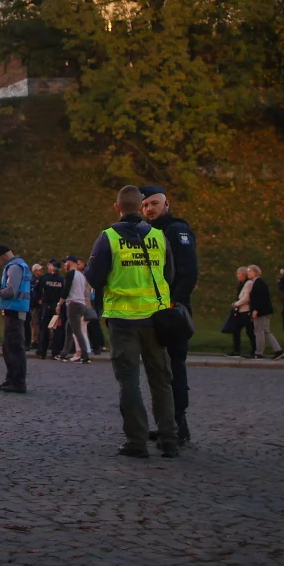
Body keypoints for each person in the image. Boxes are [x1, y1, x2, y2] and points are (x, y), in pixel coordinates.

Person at [85, 186, 177, 458]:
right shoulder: (159, 236)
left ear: (117, 208)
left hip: (122, 320)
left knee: (129, 382)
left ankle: (137, 441)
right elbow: (169, 274)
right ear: (141, 207)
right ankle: (169, 439)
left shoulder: (108, 238)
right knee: (161, 380)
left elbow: (93, 276)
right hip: (156, 318)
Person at [140, 186, 197, 444]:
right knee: (161, 368)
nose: (149, 208)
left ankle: (178, 427)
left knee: (174, 366)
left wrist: (172, 304)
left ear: (167, 203)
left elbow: (188, 273)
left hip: (171, 311)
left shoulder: (176, 230)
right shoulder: (152, 233)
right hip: (157, 310)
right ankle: (169, 425)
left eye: (154, 203)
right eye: (144, 205)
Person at [0, 245, 30, 393]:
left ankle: (18, 382)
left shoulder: (14, 267)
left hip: (14, 310)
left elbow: (11, 291)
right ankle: (11, 379)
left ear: (2, 256)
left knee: (14, 347)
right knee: (8, 347)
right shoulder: (20, 265)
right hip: (14, 310)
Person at [62, 256, 95, 364]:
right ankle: (64, 354)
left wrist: (59, 303)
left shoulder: (71, 274)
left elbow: (66, 290)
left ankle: (85, 356)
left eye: (66, 262)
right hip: (81, 304)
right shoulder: (81, 275)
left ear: (70, 263)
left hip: (73, 304)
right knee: (68, 329)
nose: (65, 264)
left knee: (77, 331)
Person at [36, 260, 65, 359]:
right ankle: (55, 352)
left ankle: (42, 352)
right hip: (57, 307)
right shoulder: (62, 280)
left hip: (47, 306)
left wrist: (39, 299)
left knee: (44, 329)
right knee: (57, 330)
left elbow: (37, 290)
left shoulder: (44, 278)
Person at [226, 267, 256, 356]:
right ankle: (236, 350)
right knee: (236, 330)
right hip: (240, 310)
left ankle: (254, 350)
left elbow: (246, 298)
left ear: (244, 274)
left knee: (250, 331)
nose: (237, 275)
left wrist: (236, 304)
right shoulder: (240, 284)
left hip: (246, 310)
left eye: (239, 273)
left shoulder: (248, 283)